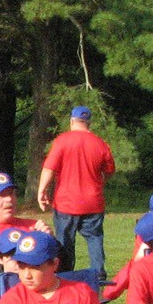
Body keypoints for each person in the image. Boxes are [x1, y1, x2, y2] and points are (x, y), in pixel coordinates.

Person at [37, 106, 116, 278]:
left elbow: (49, 168)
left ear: (72, 121)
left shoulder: (62, 141)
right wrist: (100, 181)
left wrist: (41, 191)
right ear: (88, 123)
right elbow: (109, 171)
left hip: (66, 202)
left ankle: (65, 275)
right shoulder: (100, 143)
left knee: (65, 241)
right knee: (94, 238)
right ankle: (98, 273)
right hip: (93, 202)